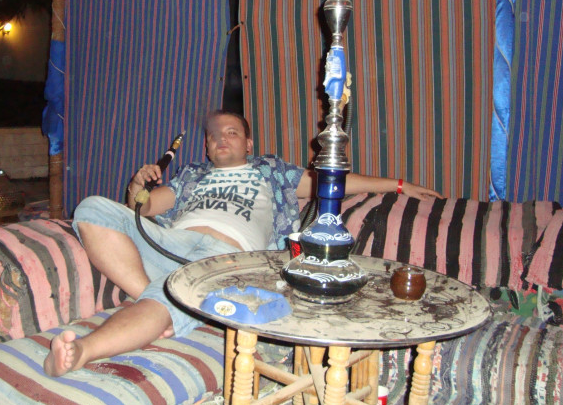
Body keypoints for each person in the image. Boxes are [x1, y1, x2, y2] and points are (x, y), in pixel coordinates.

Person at [44, 110, 441, 377]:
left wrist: (399, 184)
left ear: (248, 144)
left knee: (172, 287)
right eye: (214, 135)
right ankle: (170, 298)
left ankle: (84, 351)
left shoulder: (272, 171)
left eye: (231, 132)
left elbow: (333, 182)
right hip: (170, 243)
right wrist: (137, 185)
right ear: (206, 147)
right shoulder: (191, 175)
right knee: (91, 208)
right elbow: (141, 209)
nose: (221, 139)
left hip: (226, 256)